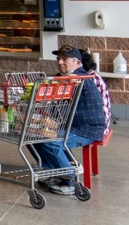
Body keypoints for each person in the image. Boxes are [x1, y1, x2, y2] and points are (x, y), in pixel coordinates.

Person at [28, 46, 108, 196]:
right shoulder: (69, 77)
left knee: (49, 139)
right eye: (58, 58)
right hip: (73, 125)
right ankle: (54, 173)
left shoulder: (78, 78)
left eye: (65, 59)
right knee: (30, 137)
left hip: (87, 129)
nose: (60, 62)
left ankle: (69, 179)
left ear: (77, 63)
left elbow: (59, 103)